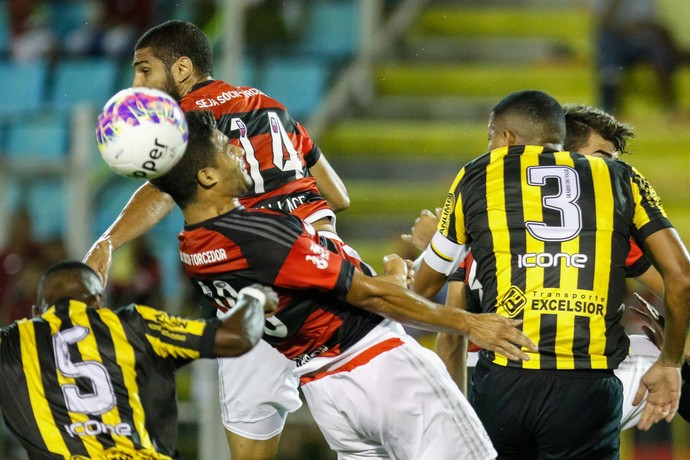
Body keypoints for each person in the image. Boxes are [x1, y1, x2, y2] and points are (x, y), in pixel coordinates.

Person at [150, 109, 540, 459]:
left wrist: (388, 279)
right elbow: (368, 296)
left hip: (326, 393)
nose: (240, 151)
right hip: (380, 368)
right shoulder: (258, 233)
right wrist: (471, 323)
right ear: (207, 175)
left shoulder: (193, 247)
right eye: (226, 148)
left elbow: (314, 291)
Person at [83, 20, 352, 459]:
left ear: (183, 69)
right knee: (371, 439)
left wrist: (108, 241)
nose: (137, 83)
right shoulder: (272, 106)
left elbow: (164, 189)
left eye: (145, 70)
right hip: (326, 270)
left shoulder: (189, 120)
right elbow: (337, 196)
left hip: (256, 291)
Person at [411, 90, 690, 459]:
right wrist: (672, 360)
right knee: (649, 352)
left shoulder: (478, 179)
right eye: (603, 154)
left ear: (506, 137)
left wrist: (438, 249)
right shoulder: (617, 182)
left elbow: (426, 296)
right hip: (586, 382)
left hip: (498, 379)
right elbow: (681, 279)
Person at [0, 260, 275, 459]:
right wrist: (254, 297)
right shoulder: (133, 324)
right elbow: (236, 336)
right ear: (100, 304)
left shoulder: (11, 343)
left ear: (37, 311)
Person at [592, 0, 687, 114]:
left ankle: (670, 107)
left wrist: (634, 28)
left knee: (659, 49)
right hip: (617, 41)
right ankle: (610, 83)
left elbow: (651, 21)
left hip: (640, 40)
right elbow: (603, 21)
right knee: (606, 36)